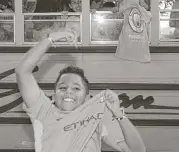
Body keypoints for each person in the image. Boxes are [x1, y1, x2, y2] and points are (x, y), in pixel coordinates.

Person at [15, 30, 146, 152]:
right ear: (54, 96)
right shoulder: (43, 111)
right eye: (62, 87)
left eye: (76, 88)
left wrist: (118, 113)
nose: (68, 92)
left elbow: (138, 150)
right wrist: (51, 38)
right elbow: (22, 71)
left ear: (87, 98)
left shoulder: (96, 117)